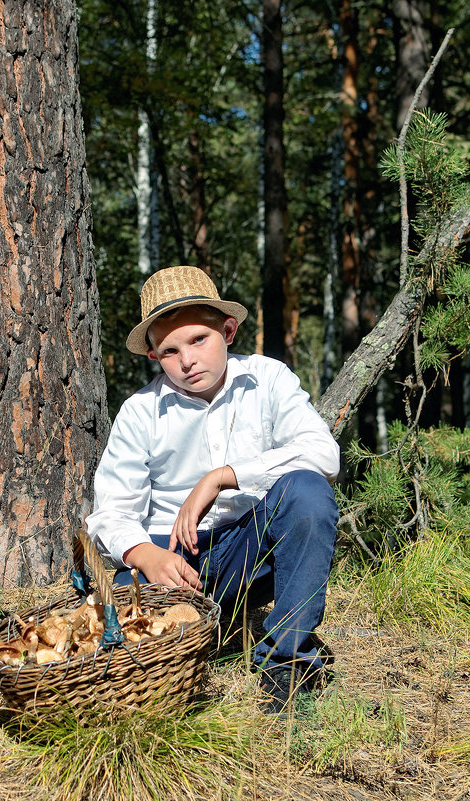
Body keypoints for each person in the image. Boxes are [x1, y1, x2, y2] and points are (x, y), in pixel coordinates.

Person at [86, 265, 340, 711]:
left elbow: (324, 454)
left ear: (228, 330)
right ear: (153, 357)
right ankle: (180, 643)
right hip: (174, 560)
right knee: (122, 612)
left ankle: (285, 661)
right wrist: (148, 554)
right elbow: (111, 513)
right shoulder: (141, 412)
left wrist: (222, 476)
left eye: (199, 340)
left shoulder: (268, 378)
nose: (187, 360)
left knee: (307, 493)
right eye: (170, 350)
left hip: (248, 547)